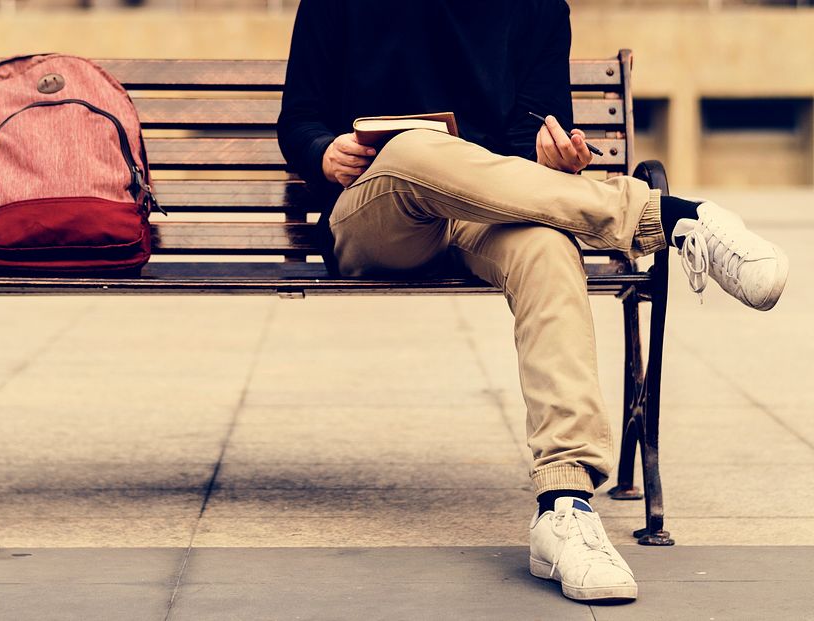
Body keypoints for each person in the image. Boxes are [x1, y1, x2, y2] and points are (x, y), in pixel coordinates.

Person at [276, 0, 790, 604]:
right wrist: (323, 151)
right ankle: (668, 218)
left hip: (488, 209)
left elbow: (529, 143)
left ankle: (563, 507)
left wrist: (553, 158)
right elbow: (299, 120)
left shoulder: (536, 8)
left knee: (548, 247)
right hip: (380, 213)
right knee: (412, 150)